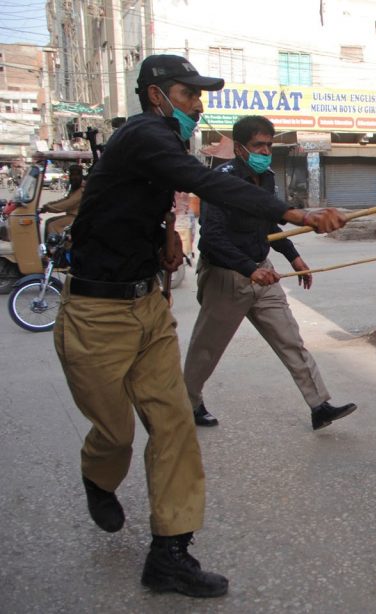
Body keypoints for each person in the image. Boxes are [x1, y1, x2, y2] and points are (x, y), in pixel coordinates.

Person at [52, 54, 344, 599]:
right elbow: (202, 184)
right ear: (157, 94)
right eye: (190, 94)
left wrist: (163, 235)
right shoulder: (144, 132)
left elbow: (159, 197)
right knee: (115, 433)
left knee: (175, 428)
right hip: (96, 314)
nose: (198, 104)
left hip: (148, 311)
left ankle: (170, 553)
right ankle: (98, 475)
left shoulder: (158, 143)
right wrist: (294, 213)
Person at [183, 115, 357, 430]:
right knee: (206, 349)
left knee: (290, 339)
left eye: (269, 144)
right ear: (239, 148)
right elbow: (212, 239)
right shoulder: (220, 181)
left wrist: (294, 258)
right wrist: (249, 270)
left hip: (262, 272)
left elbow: (267, 222)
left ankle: (319, 405)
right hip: (227, 276)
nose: (265, 151)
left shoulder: (265, 179)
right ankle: (188, 403)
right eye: (258, 145)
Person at [41, 164, 85, 236]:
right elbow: (65, 200)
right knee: (49, 221)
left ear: (81, 176)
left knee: (52, 225)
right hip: (72, 216)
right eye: (72, 175)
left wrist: (48, 208)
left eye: (76, 175)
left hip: (77, 218)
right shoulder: (75, 188)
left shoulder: (81, 189)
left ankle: (56, 246)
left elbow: (67, 204)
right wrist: (49, 205)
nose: (74, 177)